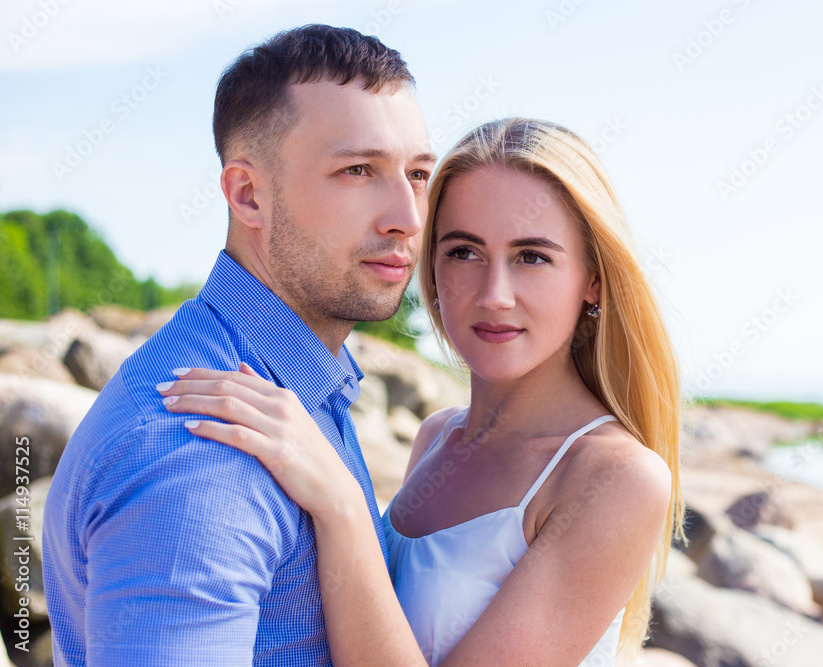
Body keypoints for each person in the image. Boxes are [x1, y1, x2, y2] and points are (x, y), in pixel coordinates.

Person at [159, 118, 685, 665]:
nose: (494, 295)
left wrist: (340, 506)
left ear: (593, 278)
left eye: (532, 257)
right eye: (463, 252)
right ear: (429, 265)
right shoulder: (437, 436)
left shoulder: (617, 478)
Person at [42, 25, 436, 664]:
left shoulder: (302, 382)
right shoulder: (199, 452)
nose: (408, 218)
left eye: (417, 173)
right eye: (358, 170)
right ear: (248, 195)